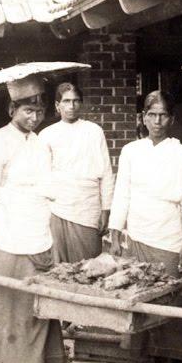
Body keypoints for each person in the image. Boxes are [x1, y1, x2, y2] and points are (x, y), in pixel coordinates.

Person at [0, 74, 67, 363]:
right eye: (27, 110)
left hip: (39, 241)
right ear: (12, 110)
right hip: (6, 242)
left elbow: (48, 189)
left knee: (35, 313)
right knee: (5, 313)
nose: (34, 117)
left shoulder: (41, 144)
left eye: (39, 111)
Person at [107, 90, 182, 363]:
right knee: (141, 296)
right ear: (143, 117)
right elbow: (122, 192)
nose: (157, 121)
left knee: (171, 298)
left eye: (163, 115)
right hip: (138, 236)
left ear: (171, 119)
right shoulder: (131, 151)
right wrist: (116, 232)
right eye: (152, 115)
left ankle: (172, 360)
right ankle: (147, 359)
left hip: (169, 236)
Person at [38, 82, 114, 263]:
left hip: (87, 208)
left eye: (76, 101)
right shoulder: (47, 135)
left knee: (89, 265)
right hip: (58, 208)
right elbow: (41, 177)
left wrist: (106, 210)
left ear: (81, 103)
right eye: (66, 101)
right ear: (57, 105)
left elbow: (106, 173)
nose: (71, 106)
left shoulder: (94, 131)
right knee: (59, 266)